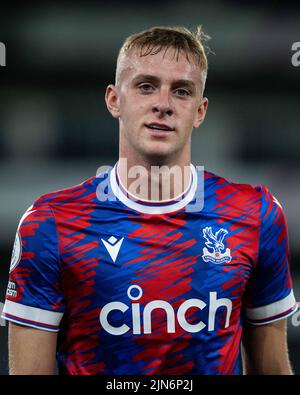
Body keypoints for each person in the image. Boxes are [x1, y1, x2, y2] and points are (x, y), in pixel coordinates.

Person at [1, 26, 298, 375]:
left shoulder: (255, 215)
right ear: (114, 100)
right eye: (146, 86)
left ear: (200, 111)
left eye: (181, 91)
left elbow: (272, 368)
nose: (163, 104)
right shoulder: (50, 225)